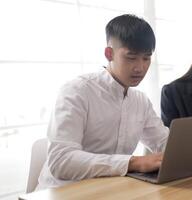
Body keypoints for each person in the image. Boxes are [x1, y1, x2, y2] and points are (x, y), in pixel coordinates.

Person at [36, 14, 169, 190]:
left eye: (146, 58)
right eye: (131, 57)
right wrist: (132, 162)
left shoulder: (140, 101)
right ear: (109, 54)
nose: (140, 67)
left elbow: (165, 143)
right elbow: (61, 160)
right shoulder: (77, 91)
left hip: (109, 190)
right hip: (64, 192)